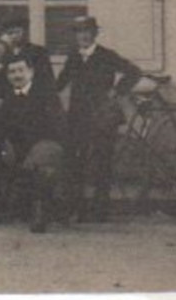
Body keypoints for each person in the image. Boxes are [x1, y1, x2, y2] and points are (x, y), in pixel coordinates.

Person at [54, 15, 142, 222]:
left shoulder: (106, 55)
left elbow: (134, 72)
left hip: (103, 116)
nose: (83, 36)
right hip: (77, 116)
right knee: (75, 161)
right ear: (75, 36)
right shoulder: (74, 56)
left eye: (87, 31)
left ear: (95, 33)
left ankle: (100, 209)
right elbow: (61, 82)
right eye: (78, 32)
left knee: (102, 161)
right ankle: (75, 208)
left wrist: (116, 91)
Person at [0, 52, 68, 233]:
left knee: (40, 161)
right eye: (11, 72)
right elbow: (2, 126)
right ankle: (11, 206)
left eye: (21, 70)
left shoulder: (45, 94)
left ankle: (39, 211)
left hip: (47, 143)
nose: (16, 75)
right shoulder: (7, 97)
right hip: (18, 148)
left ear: (31, 72)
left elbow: (56, 126)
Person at [0, 23, 54, 88]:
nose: (14, 36)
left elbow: (46, 76)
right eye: (10, 33)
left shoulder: (38, 51)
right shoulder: (3, 53)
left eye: (17, 32)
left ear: (24, 32)